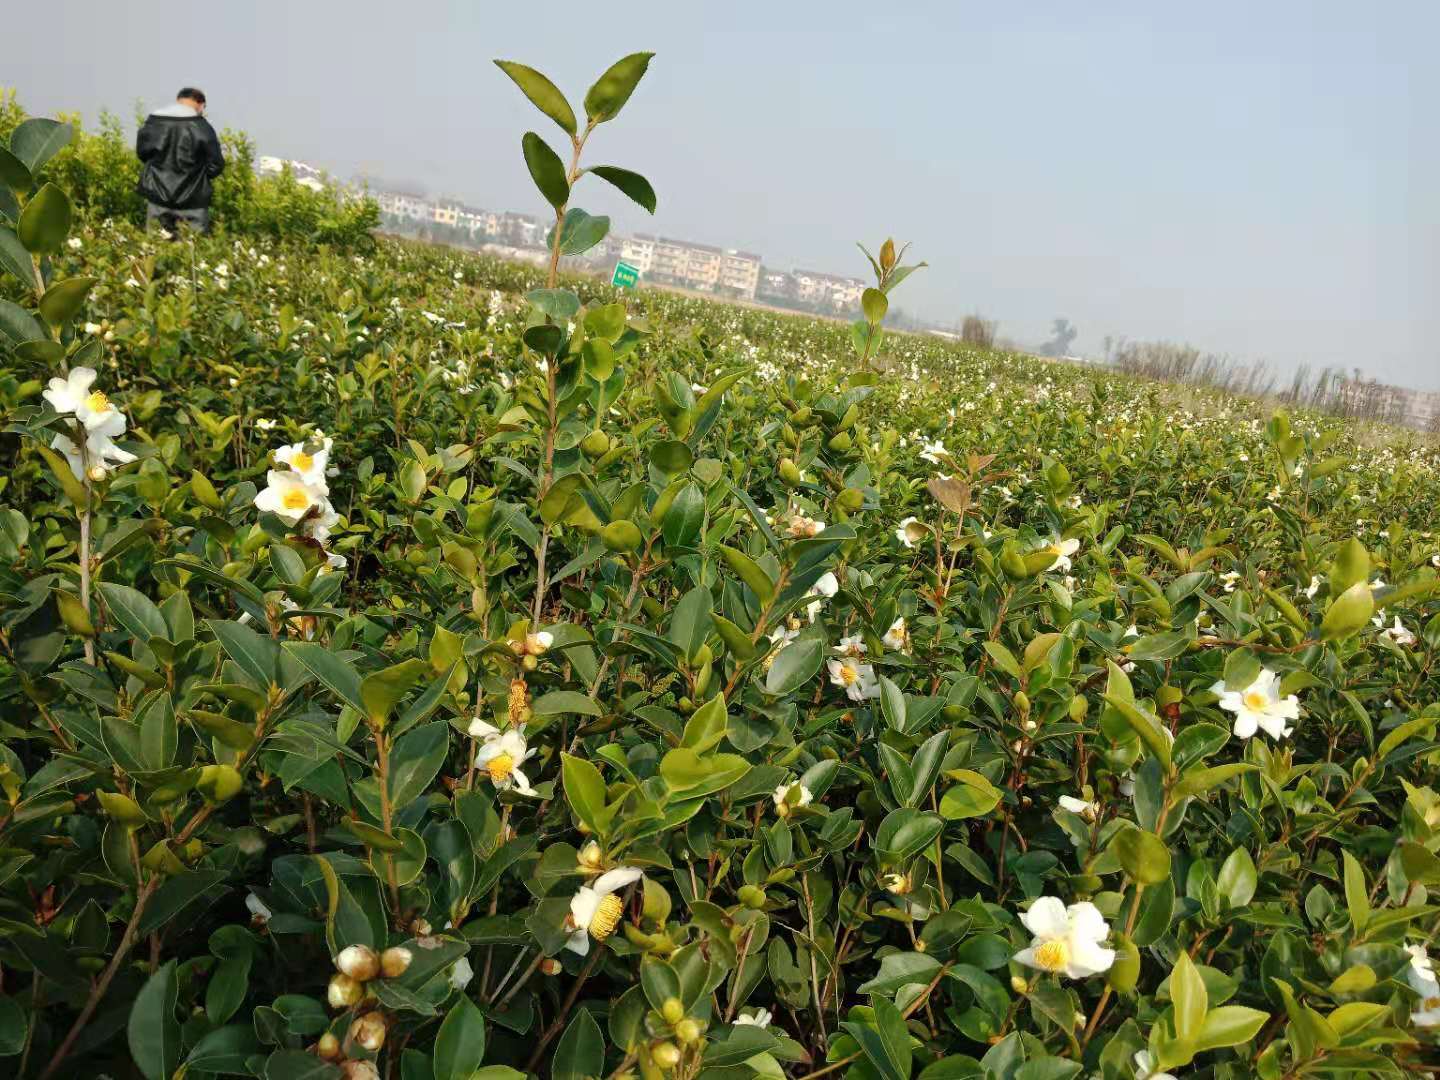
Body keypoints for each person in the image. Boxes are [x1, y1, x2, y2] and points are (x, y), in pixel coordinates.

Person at [136, 87, 224, 234]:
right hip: (193, 201)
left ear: (178, 100)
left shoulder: (153, 121)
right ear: (200, 104)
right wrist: (198, 177)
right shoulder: (202, 126)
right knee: (194, 249)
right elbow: (216, 164)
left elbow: (143, 153)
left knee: (155, 246)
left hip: (157, 197)